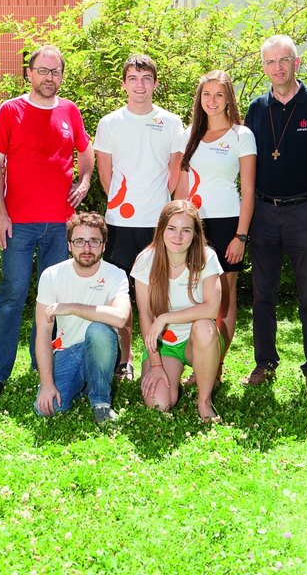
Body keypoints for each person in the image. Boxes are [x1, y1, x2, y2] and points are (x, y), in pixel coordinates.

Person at [0, 45, 93, 400]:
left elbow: (86, 153)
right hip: (19, 224)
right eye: (42, 71)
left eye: (55, 72)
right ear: (29, 73)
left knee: (52, 301)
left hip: (60, 226)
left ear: (62, 75)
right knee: (11, 296)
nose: (49, 78)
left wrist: (85, 181)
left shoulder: (69, 111)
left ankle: (40, 364)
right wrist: (0, 213)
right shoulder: (10, 110)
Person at [244, 34, 307, 398]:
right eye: (270, 62)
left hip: (306, 211)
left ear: (297, 62)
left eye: (284, 60)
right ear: (264, 68)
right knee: (263, 295)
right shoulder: (257, 108)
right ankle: (265, 362)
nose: (277, 67)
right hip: (265, 213)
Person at [94, 54, 184, 381]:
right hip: (118, 223)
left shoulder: (172, 123)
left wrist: (156, 204)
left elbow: (175, 174)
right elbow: (106, 177)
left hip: (157, 224)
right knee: (122, 293)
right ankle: (125, 358)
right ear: (124, 84)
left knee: (157, 293)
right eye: (133, 78)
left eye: (146, 78)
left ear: (155, 83)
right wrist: (124, 202)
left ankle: (156, 354)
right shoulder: (109, 124)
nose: (140, 85)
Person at [174, 70, 256, 384]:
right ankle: (199, 359)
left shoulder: (241, 135)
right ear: (200, 99)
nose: (212, 101)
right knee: (194, 293)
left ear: (228, 99)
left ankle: (216, 365)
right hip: (192, 225)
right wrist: (178, 227)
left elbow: (248, 190)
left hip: (228, 224)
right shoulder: (188, 134)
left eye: (219, 95)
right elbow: (181, 189)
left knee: (224, 297)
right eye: (206, 94)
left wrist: (241, 235)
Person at [34, 212, 131, 424]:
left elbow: (121, 317)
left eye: (94, 241)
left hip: (101, 348)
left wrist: (72, 308)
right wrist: (47, 383)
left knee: (99, 329)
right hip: (67, 351)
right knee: (49, 409)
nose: (86, 249)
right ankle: (86, 383)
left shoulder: (115, 274)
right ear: (69, 245)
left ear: (104, 245)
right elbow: (42, 333)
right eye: (79, 241)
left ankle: (101, 401)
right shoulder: (52, 275)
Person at [131, 200, 223, 422]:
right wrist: (155, 364)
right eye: (171, 228)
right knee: (158, 403)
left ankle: (204, 401)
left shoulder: (206, 257)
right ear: (161, 229)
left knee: (204, 326)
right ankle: (178, 373)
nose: (178, 236)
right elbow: (144, 314)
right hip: (164, 346)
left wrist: (165, 318)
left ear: (195, 234)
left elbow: (212, 308)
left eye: (186, 230)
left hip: (196, 341)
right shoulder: (146, 260)